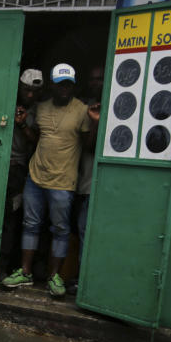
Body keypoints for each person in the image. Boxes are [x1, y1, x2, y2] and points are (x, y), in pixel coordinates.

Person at [2, 63, 100, 297]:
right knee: (30, 225)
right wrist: (23, 123)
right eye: (60, 84)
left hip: (63, 181)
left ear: (73, 85)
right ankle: (25, 272)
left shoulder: (81, 110)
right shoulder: (41, 108)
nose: (64, 88)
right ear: (53, 86)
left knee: (60, 229)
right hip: (35, 177)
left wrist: (95, 121)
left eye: (68, 84)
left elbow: (90, 147)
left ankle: (54, 276)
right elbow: (35, 139)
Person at [0, 68, 42, 278]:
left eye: (34, 91)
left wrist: (23, 124)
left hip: (17, 170)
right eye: (26, 90)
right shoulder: (4, 99)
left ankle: (1, 268)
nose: (30, 95)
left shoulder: (38, 111)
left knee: (10, 218)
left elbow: (36, 141)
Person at [69, 64, 103, 296]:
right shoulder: (84, 106)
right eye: (92, 79)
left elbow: (93, 147)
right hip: (80, 182)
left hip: (97, 185)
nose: (96, 83)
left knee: (87, 231)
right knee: (77, 230)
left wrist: (97, 122)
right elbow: (85, 146)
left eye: (100, 79)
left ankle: (86, 283)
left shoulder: (115, 105)